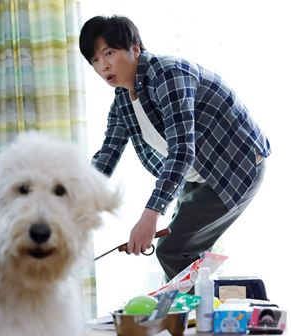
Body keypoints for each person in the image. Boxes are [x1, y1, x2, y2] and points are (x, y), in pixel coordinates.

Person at [79, 15, 271, 281]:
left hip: (236, 166)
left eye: (109, 53)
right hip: (199, 175)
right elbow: (107, 155)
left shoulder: (167, 74)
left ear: (135, 48)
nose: (103, 66)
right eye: (95, 60)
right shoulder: (123, 101)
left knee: (173, 250)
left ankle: (210, 303)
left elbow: (181, 150)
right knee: (183, 258)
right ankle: (209, 303)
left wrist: (150, 217)